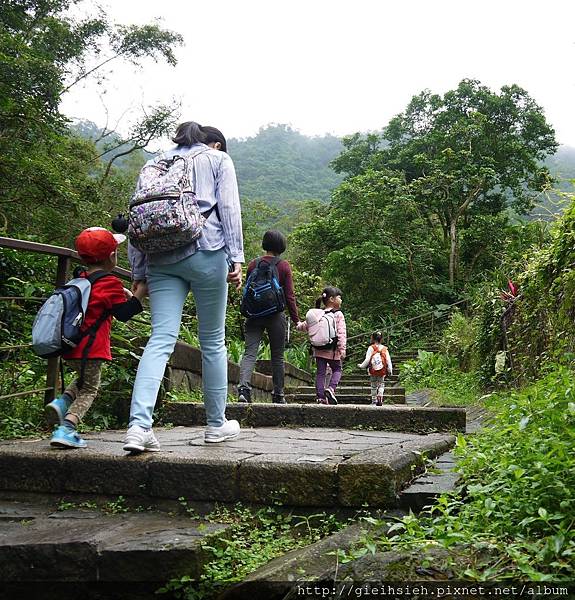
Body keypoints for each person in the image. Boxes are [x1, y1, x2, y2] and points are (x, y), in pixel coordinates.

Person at [124, 121, 244, 452]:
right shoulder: (218, 160)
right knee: (213, 342)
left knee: (160, 339)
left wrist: (139, 272)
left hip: (160, 258)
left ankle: (138, 427)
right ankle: (216, 425)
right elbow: (230, 208)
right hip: (207, 251)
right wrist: (236, 258)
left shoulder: (154, 163)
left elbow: (139, 215)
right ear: (208, 141)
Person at [46, 227, 146, 448]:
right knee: (90, 388)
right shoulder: (109, 283)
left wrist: (124, 293)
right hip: (90, 349)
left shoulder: (81, 278)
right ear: (112, 257)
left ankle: (63, 402)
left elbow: (100, 301)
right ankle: (67, 428)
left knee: (83, 379)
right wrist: (141, 292)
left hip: (71, 346)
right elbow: (123, 313)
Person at [238, 230, 300, 404]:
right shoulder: (283, 265)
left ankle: (244, 390)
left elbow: (248, 291)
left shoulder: (253, 264)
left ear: (265, 244)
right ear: (281, 246)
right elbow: (289, 296)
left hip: (253, 314)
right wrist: (296, 320)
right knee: (277, 356)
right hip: (275, 315)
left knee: (249, 353)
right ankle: (278, 394)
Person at [297, 286, 346, 405]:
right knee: (337, 369)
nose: (341, 300)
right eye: (339, 298)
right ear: (332, 299)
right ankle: (331, 389)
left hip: (318, 350)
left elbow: (304, 326)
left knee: (320, 373)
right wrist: (342, 349)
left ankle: (320, 397)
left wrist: (298, 325)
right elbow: (341, 333)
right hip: (332, 350)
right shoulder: (338, 314)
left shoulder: (318, 313)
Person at [357, 331, 393, 406]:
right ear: (381, 339)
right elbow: (388, 360)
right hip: (382, 370)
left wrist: (361, 366)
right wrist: (390, 369)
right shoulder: (384, 348)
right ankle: (380, 397)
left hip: (372, 370)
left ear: (372, 338)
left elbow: (367, 360)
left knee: (373, 385)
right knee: (381, 384)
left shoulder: (371, 348)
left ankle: (374, 400)